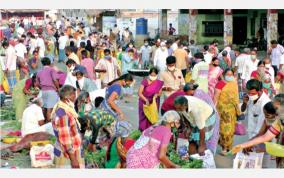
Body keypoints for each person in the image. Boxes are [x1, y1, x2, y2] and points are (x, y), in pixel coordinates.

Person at [232, 94, 284, 168]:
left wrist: (266, 148)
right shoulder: (280, 121)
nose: (275, 112)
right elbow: (264, 137)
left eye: (276, 108)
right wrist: (243, 145)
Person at [51, 85, 84, 168]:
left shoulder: (63, 107)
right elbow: (65, 138)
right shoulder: (63, 113)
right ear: (66, 97)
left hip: (67, 150)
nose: (75, 96)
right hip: (67, 154)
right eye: (73, 94)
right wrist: (73, 159)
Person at [214, 68, 241, 155]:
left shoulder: (234, 84)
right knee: (224, 130)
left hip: (232, 111)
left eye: (231, 75)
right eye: (228, 74)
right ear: (224, 75)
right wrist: (214, 109)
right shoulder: (220, 84)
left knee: (231, 130)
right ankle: (224, 147)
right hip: (223, 111)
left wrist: (239, 111)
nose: (229, 76)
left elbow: (236, 98)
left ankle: (229, 147)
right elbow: (216, 97)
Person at [36, 57, 60, 122]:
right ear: (50, 63)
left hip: (43, 91)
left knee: (44, 108)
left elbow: (37, 84)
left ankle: (44, 123)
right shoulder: (52, 70)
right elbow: (55, 80)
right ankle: (49, 124)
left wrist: (42, 87)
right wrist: (58, 88)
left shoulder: (39, 72)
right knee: (50, 109)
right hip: (51, 90)